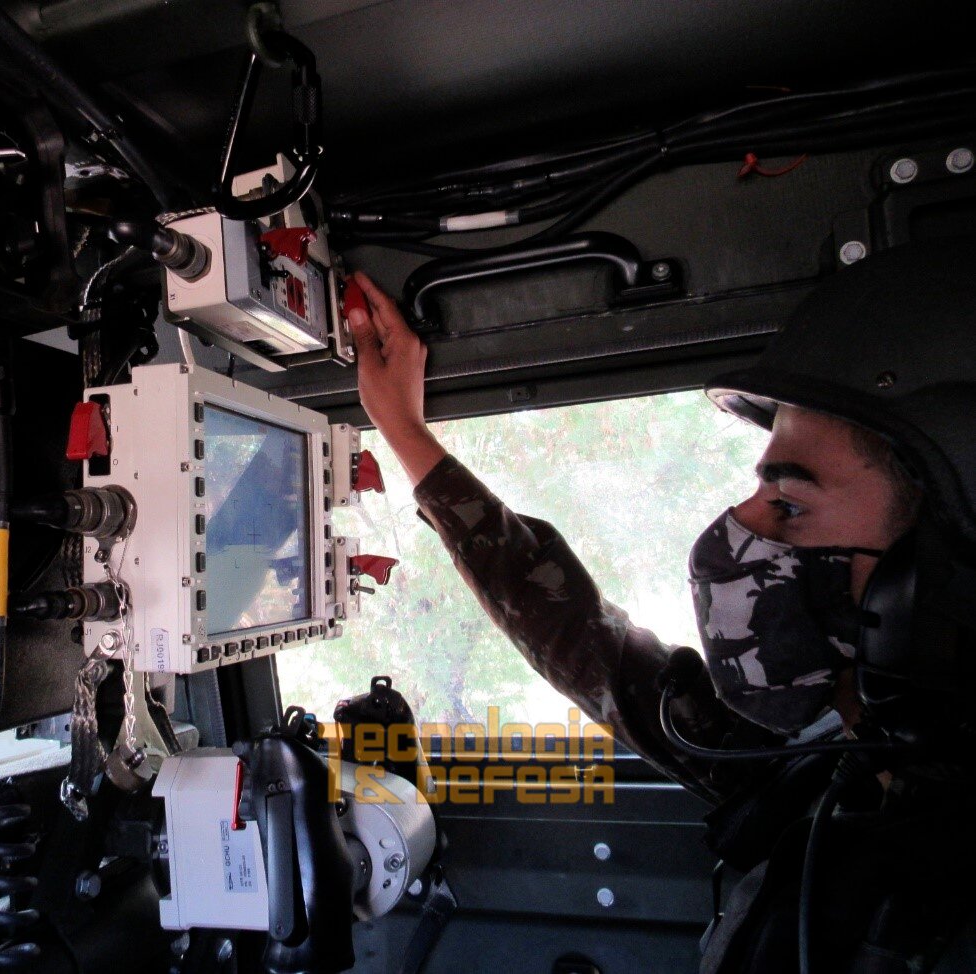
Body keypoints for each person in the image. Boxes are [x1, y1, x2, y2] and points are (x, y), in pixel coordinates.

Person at [345, 237, 976, 973]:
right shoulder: (829, 758)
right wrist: (404, 432)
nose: (737, 528)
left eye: (790, 505)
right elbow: (585, 641)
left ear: (944, 570)